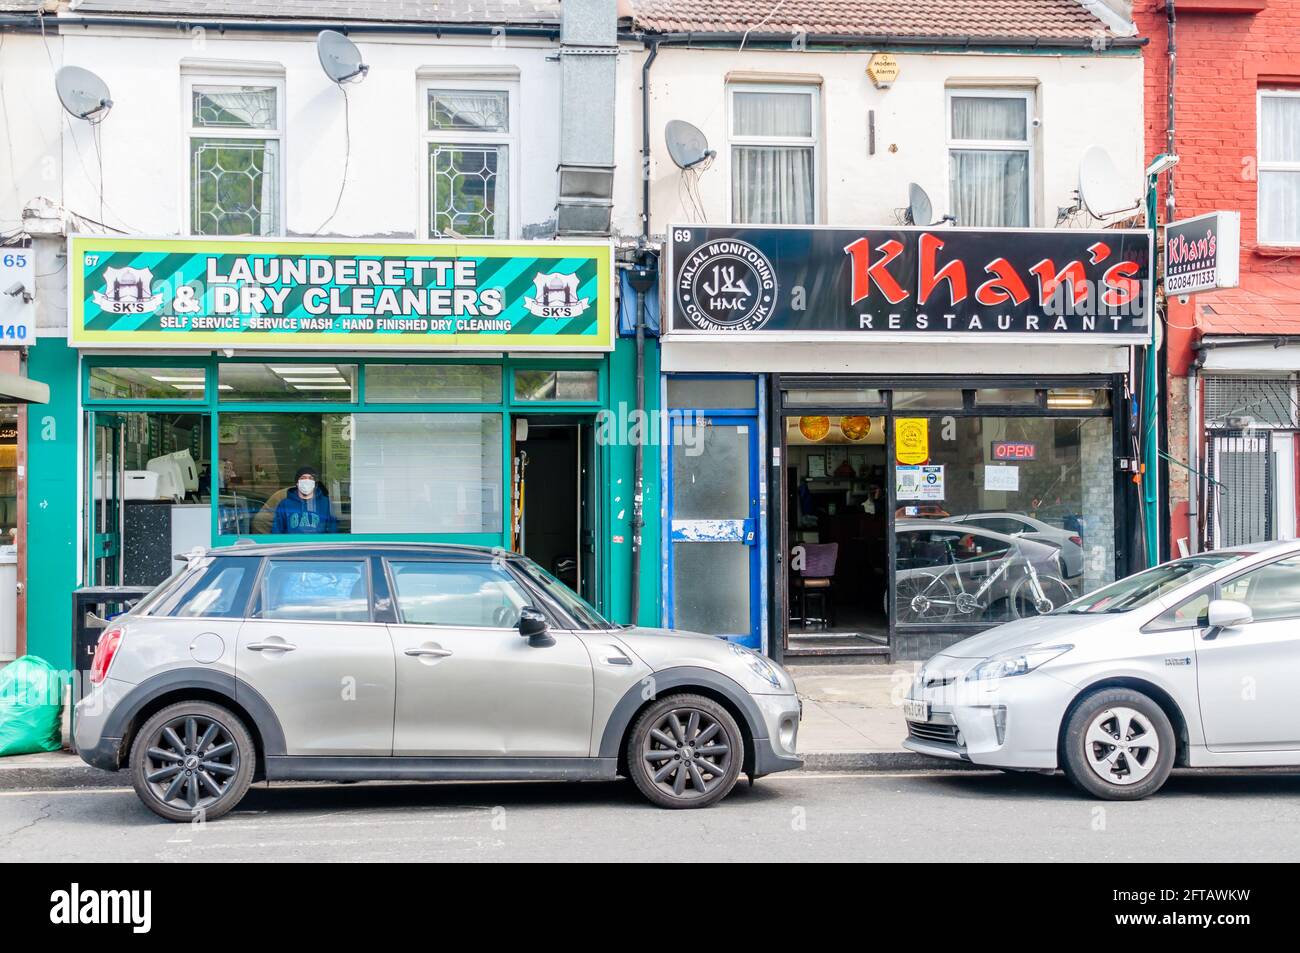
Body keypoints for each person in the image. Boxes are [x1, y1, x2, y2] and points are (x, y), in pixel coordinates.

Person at [272, 466, 337, 534]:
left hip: (318, 544)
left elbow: (332, 530)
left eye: (310, 478)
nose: (307, 481)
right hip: (293, 544)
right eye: (303, 478)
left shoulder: (325, 503)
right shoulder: (285, 504)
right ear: (297, 483)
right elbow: (277, 531)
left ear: (315, 483)